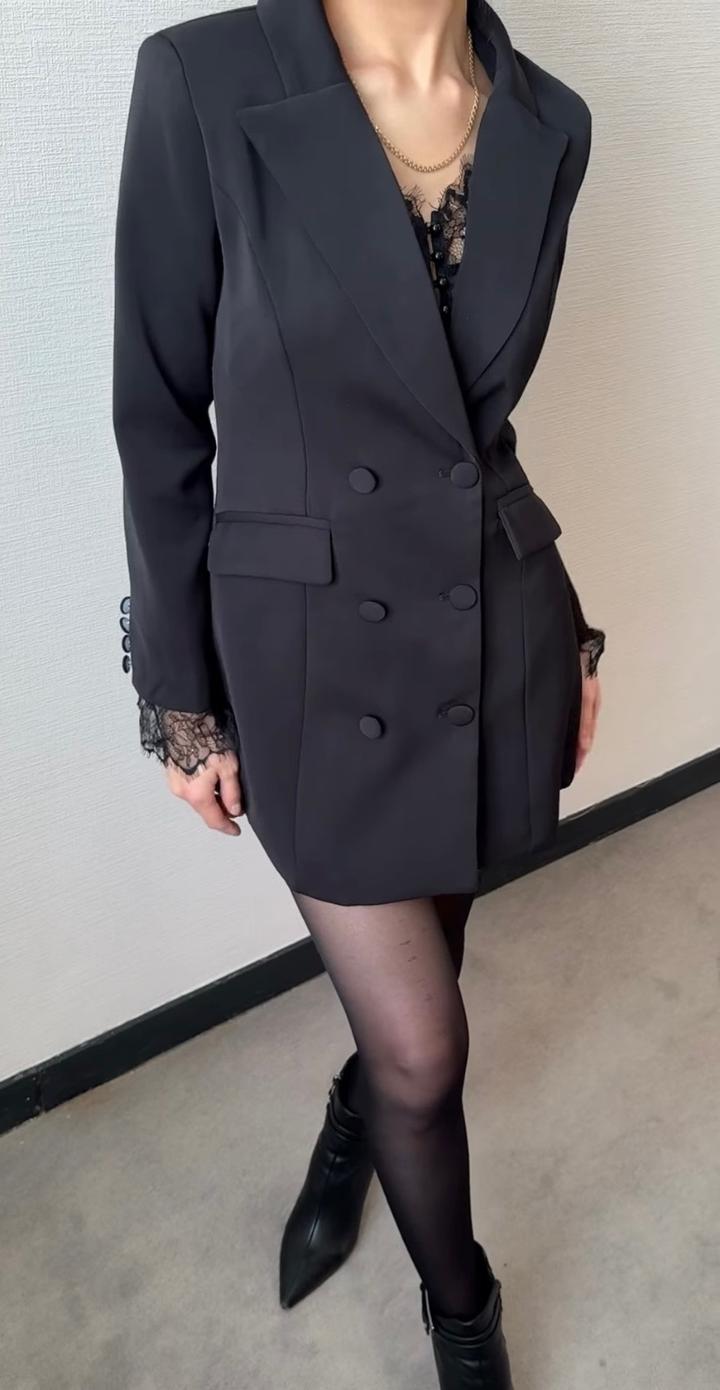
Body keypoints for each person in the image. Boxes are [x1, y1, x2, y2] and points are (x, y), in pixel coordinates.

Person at [113, 1, 606, 1384]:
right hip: (309, 658)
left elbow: (478, 438)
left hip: (489, 635)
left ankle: (356, 1111)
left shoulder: (551, 122)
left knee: (421, 988)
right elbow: (158, 421)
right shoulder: (204, 79)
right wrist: (181, 698)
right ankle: (466, 1315)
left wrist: (572, 632)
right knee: (428, 1046)